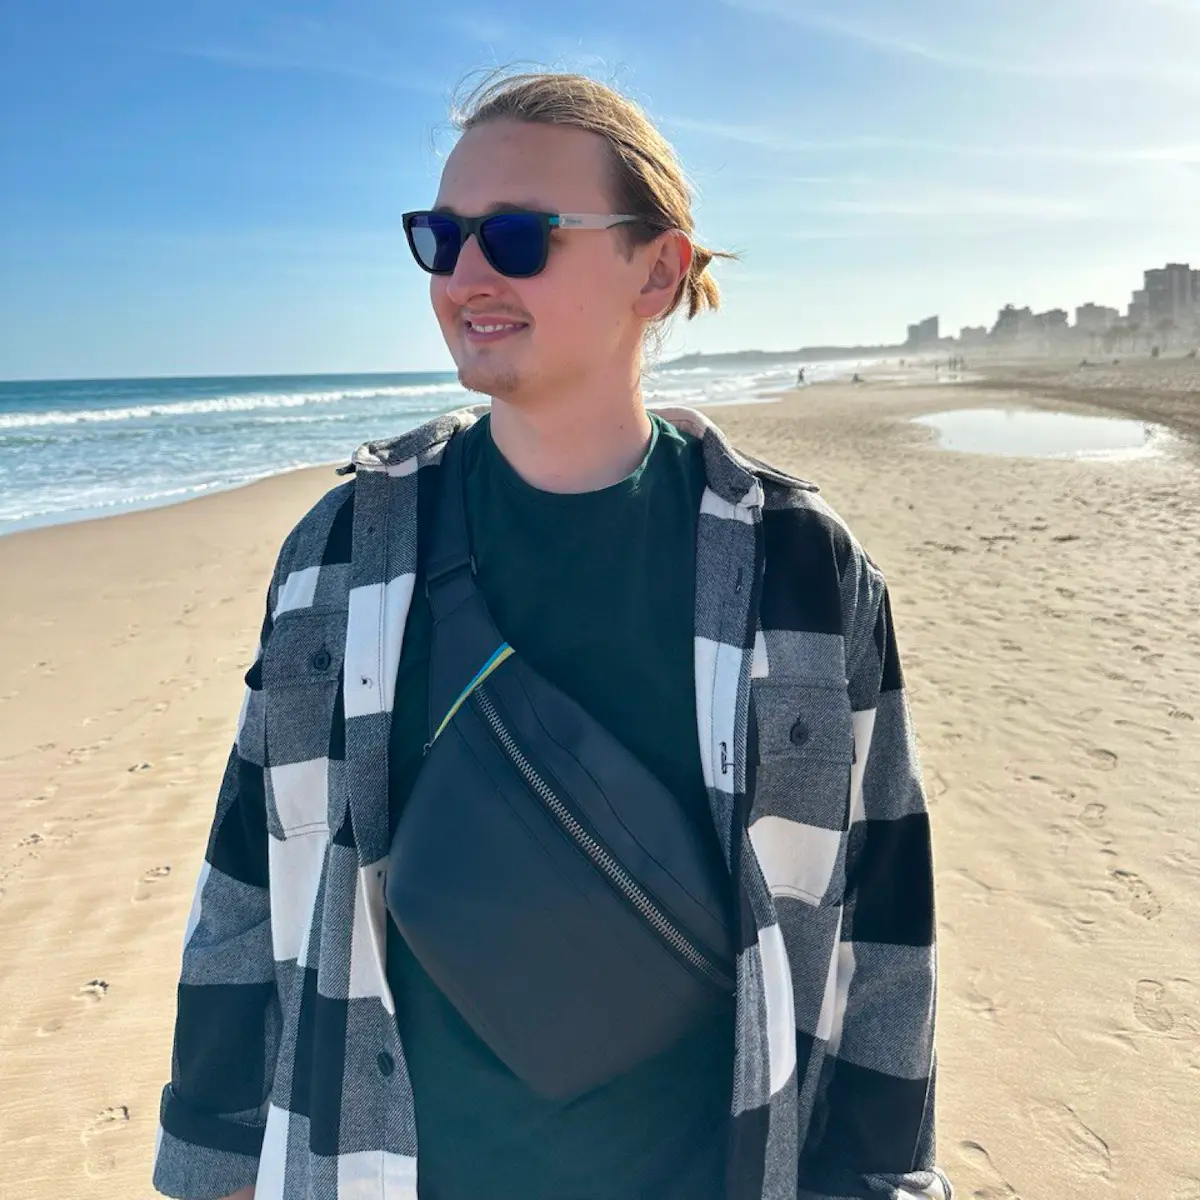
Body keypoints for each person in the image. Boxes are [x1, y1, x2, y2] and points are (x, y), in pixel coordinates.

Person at [152, 71, 951, 1200]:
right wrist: (212, 1164)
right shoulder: (341, 554)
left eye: (519, 236)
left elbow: (883, 920)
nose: (466, 275)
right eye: (441, 238)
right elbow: (248, 869)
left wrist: (880, 1183)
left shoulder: (802, 570)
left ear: (657, 271)